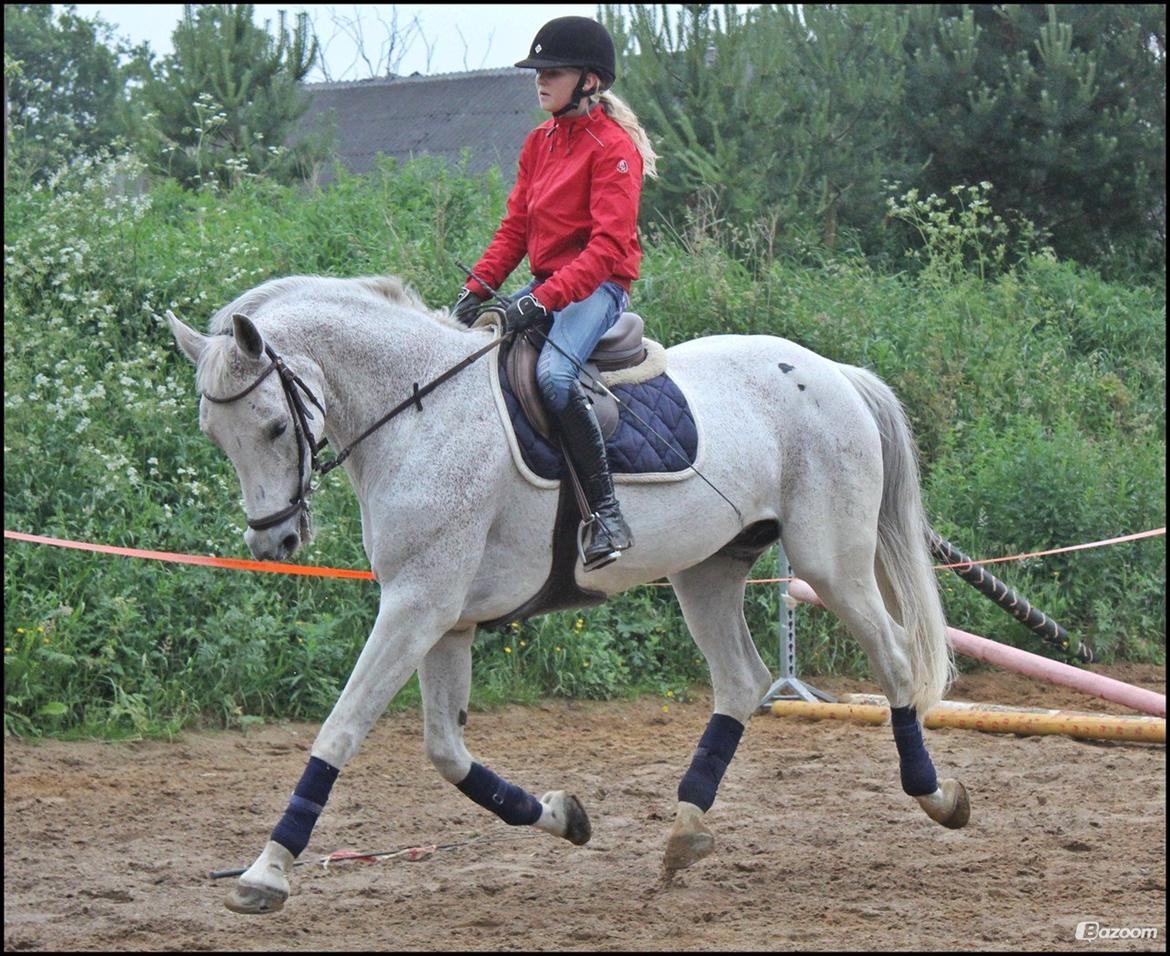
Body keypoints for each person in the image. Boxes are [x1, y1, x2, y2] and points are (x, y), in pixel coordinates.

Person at [451, 15, 659, 572]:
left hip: (597, 286)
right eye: (538, 71)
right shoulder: (538, 142)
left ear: (588, 81)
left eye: (553, 72)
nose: (540, 81)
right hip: (549, 281)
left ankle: (606, 515)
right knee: (469, 353)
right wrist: (476, 290)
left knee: (554, 377)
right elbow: (516, 228)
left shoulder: (614, 149)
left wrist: (543, 299)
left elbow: (607, 249)